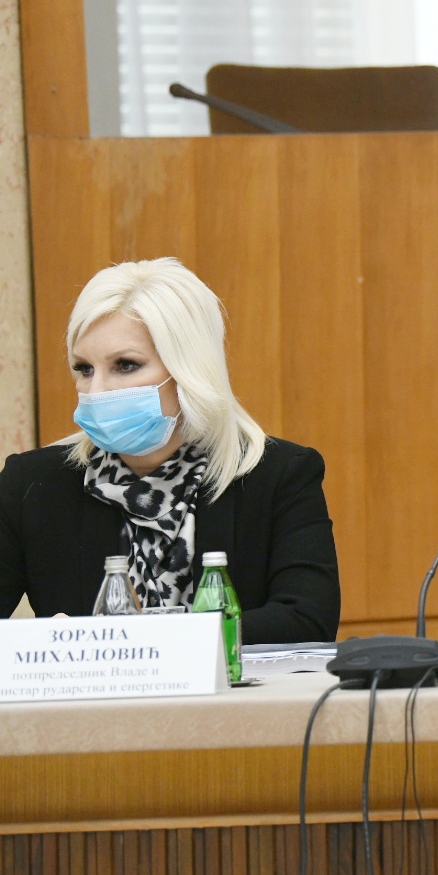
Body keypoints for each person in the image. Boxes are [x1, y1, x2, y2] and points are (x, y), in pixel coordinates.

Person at [0, 258, 340, 642]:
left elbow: (307, 620)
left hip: (234, 702)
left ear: (189, 370)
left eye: (125, 365)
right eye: (84, 369)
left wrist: (139, 637)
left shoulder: (278, 474)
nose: (96, 392)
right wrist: (45, 641)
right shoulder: (32, 484)